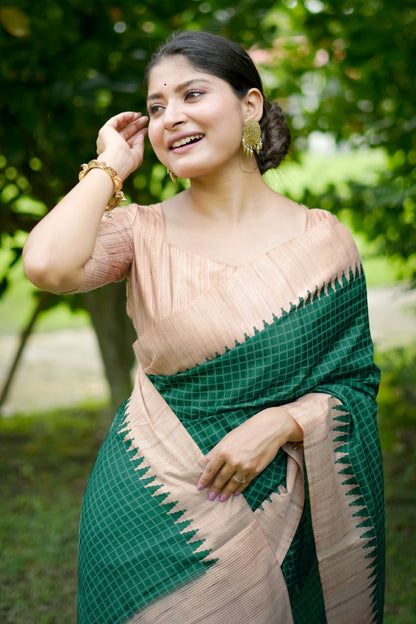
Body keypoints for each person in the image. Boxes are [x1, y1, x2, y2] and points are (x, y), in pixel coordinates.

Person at [23, 30, 385, 624]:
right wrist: (109, 167)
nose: (171, 117)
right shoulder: (140, 232)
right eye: (157, 105)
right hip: (148, 507)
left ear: (250, 105)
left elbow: (355, 384)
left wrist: (283, 422)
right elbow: (46, 265)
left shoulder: (323, 243)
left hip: (281, 510)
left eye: (193, 94)